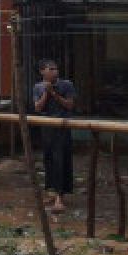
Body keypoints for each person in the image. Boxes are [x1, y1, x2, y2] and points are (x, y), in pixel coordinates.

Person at [30, 59, 76, 213]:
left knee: (61, 160)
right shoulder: (38, 87)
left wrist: (54, 93)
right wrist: (46, 92)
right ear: (42, 71)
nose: (55, 71)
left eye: (56, 68)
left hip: (62, 126)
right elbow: (37, 107)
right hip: (47, 127)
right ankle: (51, 192)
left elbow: (69, 105)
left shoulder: (66, 85)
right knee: (48, 159)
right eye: (51, 69)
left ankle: (60, 197)